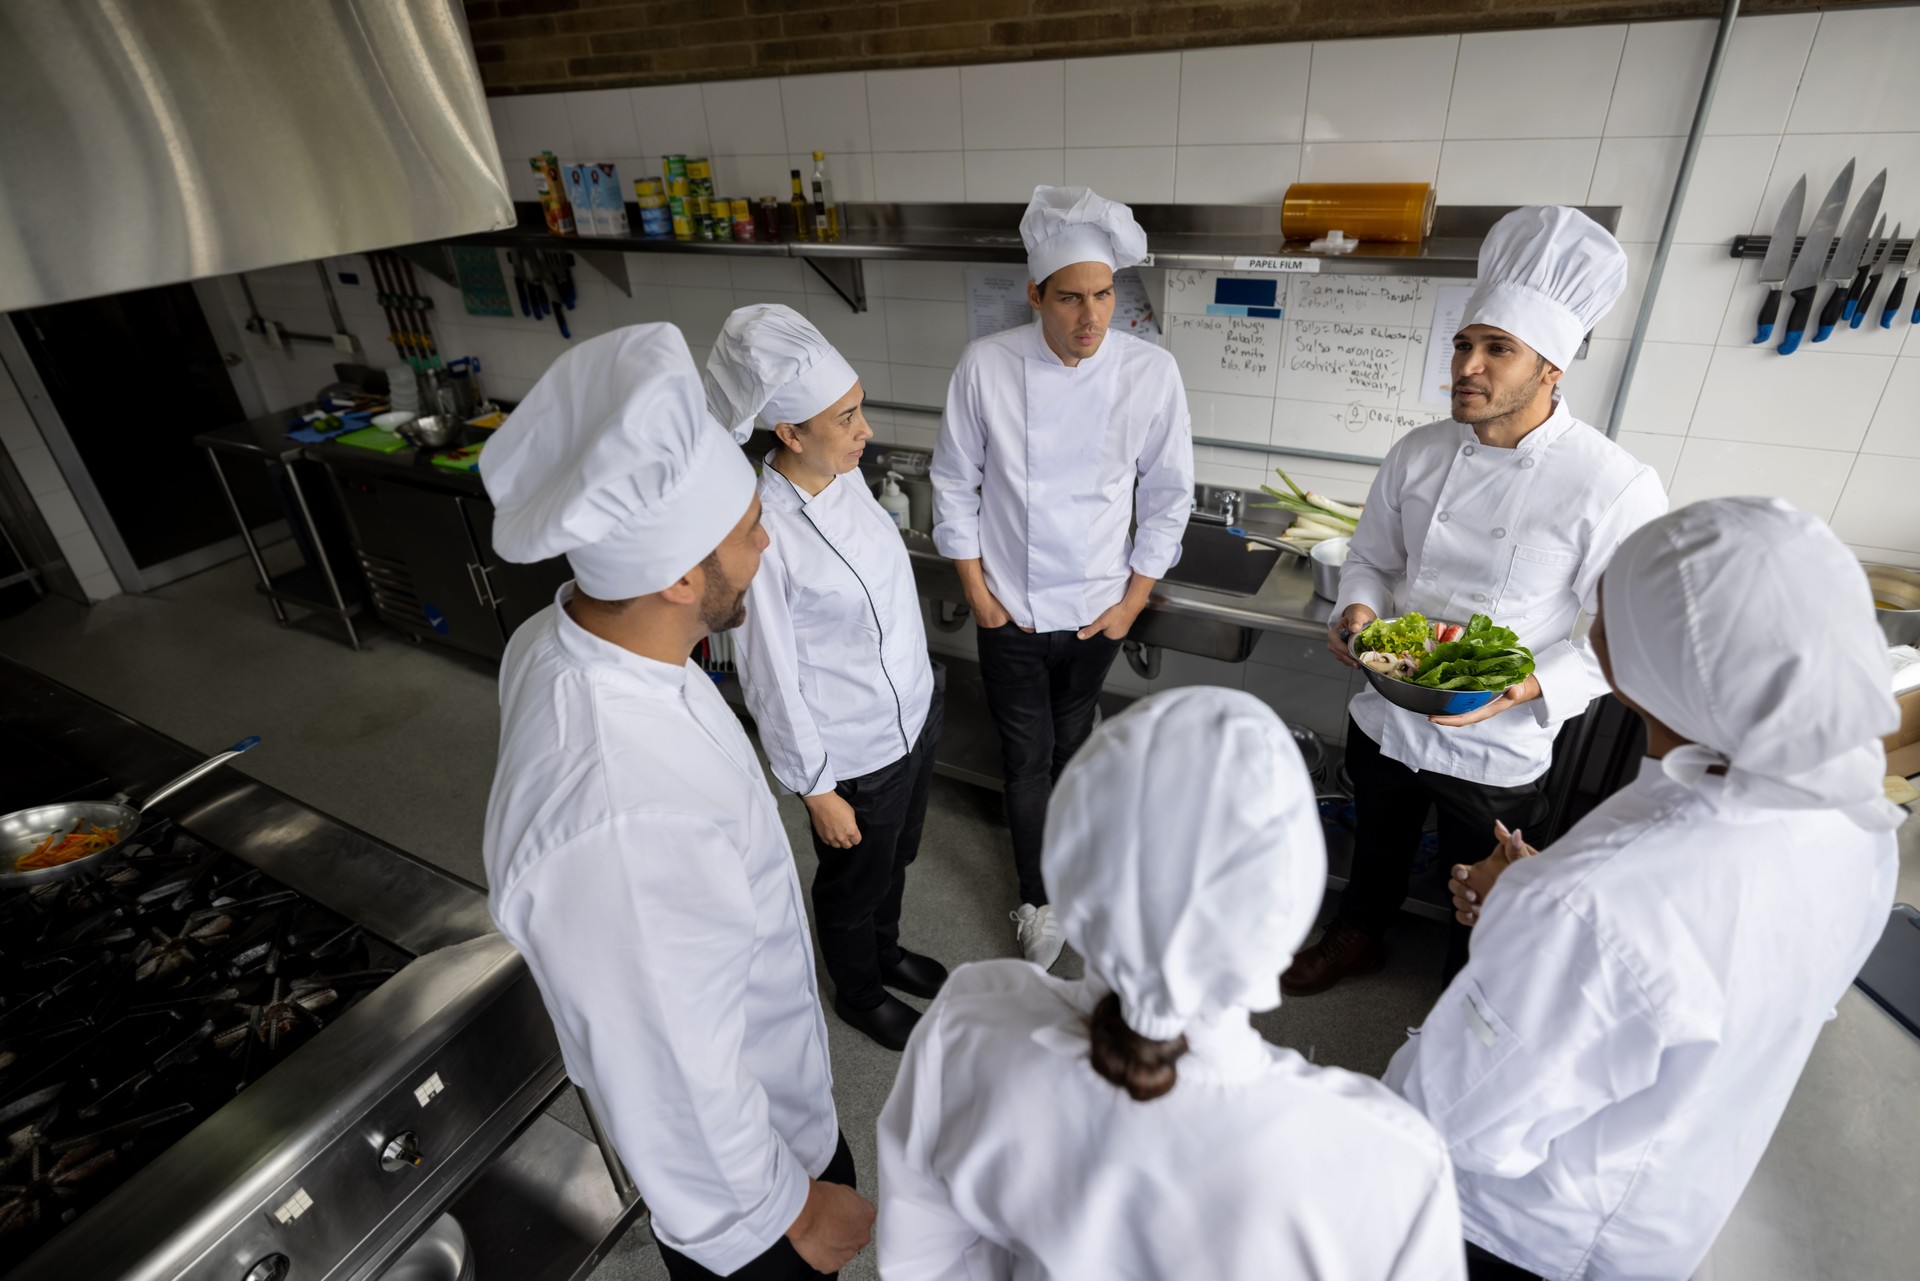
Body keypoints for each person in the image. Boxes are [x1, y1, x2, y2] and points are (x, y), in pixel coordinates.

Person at [1386, 497, 1903, 1281]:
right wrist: (1539, 908)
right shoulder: (1854, 816)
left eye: (1611, 604)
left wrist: (1531, 925)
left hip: (1514, 1233)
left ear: (1657, 655)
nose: (1595, 619)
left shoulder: (1588, 905)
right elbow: (1704, 973)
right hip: (1673, 1208)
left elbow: (1447, 1123)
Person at [479, 325, 873, 1279]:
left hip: (770, 1100)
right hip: (744, 1199)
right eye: (747, 529)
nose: (767, 538)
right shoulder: (620, 812)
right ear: (679, 575)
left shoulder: (571, 633)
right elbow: (667, 1070)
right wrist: (785, 1214)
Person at [877, 687, 1469, 1280]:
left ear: (1070, 865)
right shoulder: (1386, 1164)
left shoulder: (968, 1026)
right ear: (1289, 897)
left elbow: (922, 1262)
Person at [1284, 206, 1667, 996]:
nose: (1469, 366)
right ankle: (1357, 935)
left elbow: (1626, 630)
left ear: (1551, 369)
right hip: (1387, 710)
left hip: (1496, 744)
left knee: (1485, 897)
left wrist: (1527, 686)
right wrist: (1356, 608)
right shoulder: (1418, 453)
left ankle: (1468, 996)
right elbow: (1371, 559)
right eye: (1465, 344)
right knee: (1377, 847)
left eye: (1499, 350)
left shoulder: (1611, 483)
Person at [931, 185, 1194, 971]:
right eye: (1071, 298)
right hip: (1009, 607)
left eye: (1105, 295)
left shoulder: (1152, 372)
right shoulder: (986, 365)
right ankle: (1037, 900)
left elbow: (1171, 494)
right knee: (1026, 756)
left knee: (1074, 745)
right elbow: (952, 482)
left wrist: (1131, 605)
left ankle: (1074, 878)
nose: (1091, 318)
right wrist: (979, 595)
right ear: (1035, 295)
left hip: (1095, 614)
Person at [705, 303, 947, 1054]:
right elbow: (769, 674)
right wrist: (815, 788)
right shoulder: (763, 531)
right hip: (850, 752)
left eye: (859, 409)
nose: (864, 429)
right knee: (850, 884)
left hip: (911, 719)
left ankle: (887, 949)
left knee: (896, 857)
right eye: (846, 418)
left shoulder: (843, 480)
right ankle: (861, 991)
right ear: (790, 433)